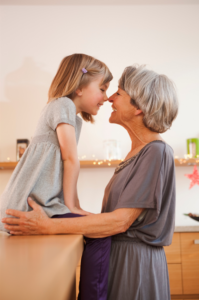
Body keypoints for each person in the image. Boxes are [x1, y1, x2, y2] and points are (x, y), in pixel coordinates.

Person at [2, 65, 178, 300]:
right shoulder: (137, 153)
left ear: (139, 107)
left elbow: (120, 221)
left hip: (135, 266)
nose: (110, 98)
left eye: (119, 93)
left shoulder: (156, 152)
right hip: (118, 259)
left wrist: (48, 226)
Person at [0, 53, 113, 300]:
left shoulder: (72, 117)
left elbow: (66, 164)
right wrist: (73, 207)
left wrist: (74, 206)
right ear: (80, 87)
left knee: (92, 228)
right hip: (29, 204)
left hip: (44, 203)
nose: (106, 97)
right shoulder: (62, 104)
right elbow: (70, 159)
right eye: (103, 89)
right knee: (100, 232)